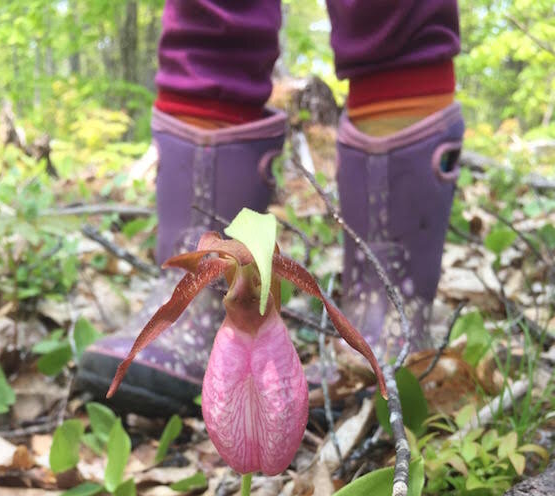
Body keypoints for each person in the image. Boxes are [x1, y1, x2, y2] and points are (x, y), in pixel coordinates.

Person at [77, 0, 464, 416]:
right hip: (222, 270)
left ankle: (390, 321)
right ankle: (203, 310)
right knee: (210, 11)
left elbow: (306, 284)